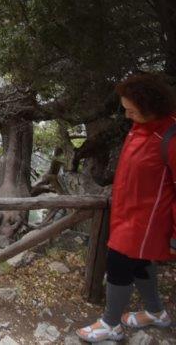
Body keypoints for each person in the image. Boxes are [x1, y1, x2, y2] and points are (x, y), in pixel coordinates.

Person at [77, 73, 176, 343]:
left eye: (132, 110)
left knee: (119, 262)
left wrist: (175, 236)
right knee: (141, 262)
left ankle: (111, 324)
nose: (127, 115)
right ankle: (156, 312)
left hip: (147, 219)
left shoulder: (170, 136)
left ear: (150, 106)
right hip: (128, 212)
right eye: (125, 109)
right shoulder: (141, 127)